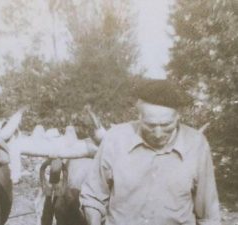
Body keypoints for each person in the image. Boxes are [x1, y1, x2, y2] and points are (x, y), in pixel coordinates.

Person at [80, 79, 221, 225]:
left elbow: (208, 215)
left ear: (178, 116)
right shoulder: (115, 139)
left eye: (166, 125)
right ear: (139, 116)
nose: (158, 133)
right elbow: (93, 197)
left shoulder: (196, 144)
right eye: (150, 125)